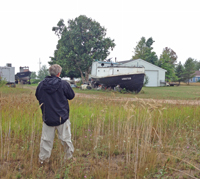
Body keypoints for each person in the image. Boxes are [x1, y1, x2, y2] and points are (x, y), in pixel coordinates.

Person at [35, 64, 75, 163]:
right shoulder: (64, 84)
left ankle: (43, 160)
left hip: (47, 116)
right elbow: (71, 96)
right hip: (62, 117)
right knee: (66, 139)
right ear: (59, 73)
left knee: (46, 140)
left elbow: (37, 96)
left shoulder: (41, 84)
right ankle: (69, 158)